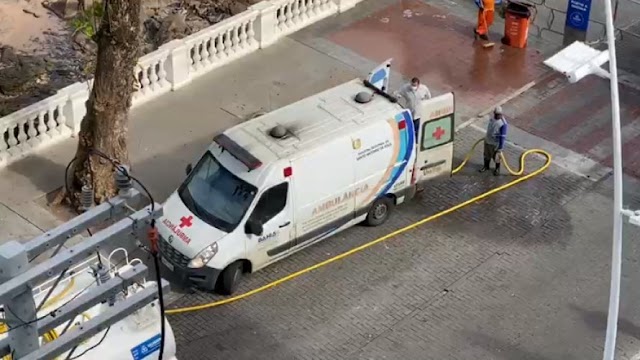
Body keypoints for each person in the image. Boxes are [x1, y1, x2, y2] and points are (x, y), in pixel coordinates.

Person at [480, 106, 508, 176]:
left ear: (501, 114)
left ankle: (497, 169)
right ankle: (486, 166)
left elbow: (502, 136)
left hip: (495, 144)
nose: (497, 115)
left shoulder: (503, 124)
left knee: (496, 157)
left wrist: (500, 147)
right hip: (488, 140)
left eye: (499, 114)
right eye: (496, 114)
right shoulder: (492, 118)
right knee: (486, 155)